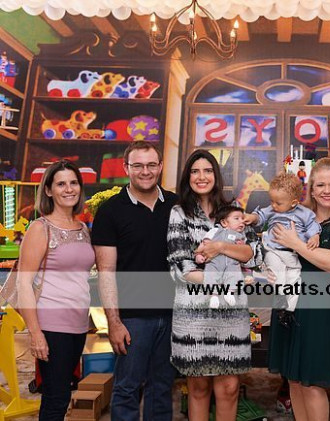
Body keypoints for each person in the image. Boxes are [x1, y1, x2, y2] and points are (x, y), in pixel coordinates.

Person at [167, 149, 263, 421]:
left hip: (231, 315)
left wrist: (219, 247)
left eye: (207, 170)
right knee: (198, 387)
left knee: (230, 387)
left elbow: (255, 255)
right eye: (195, 171)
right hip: (194, 314)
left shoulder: (234, 210)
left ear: (216, 175)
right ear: (188, 177)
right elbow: (182, 266)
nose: (202, 177)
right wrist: (225, 279)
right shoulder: (179, 213)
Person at [92, 141, 177, 421]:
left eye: (151, 165)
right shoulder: (110, 211)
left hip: (173, 315)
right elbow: (106, 271)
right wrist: (114, 322)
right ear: (126, 168)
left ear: (160, 167)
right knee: (127, 388)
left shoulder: (177, 206)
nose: (145, 171)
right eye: (138, 165)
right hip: (132, 319)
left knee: (162, 388)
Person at [268, 157, 330, 421]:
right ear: (312, 189)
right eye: (320, 185)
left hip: (320, 306)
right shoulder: (298, 213)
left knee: (313, 383)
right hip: (289, 301)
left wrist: (296, 243)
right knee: (294, 380)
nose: (327, 190)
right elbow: (273, 245)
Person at [18, 160, 94, 421]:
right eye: (61, 184)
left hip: (78, 325)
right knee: (56, 397)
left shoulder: (83, 229)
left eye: (73, 183)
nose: (69, 189)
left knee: (62, 394)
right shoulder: (40, 228)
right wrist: (35, 333)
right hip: (51, 325)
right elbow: (24, 284)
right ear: (49, 190)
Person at [244, 172, 320, 327]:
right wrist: (252, 218)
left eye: (278, 203)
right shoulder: (272, 210)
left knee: (295, 279)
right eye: (271, 201)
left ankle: (288, 311)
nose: (273, 205)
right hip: (272, 249)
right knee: (278, 273)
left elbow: (313, 225)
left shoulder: (304, 213)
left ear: (293, 203)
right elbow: (260, 215)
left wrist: (314, 236)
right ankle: (280, 299)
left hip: (292, 253)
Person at [195, 205, 247, 308]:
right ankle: (213, 296)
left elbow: (243, 252)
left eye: (243, 219)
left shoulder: (240, 236)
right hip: (214, 261)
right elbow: (204, 243)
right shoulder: (215, 231)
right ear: (224, 222)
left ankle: (229, 292)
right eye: (237, 218)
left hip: (232, 263)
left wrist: (241, 246)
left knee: (235, 274)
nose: (241, 222)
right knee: (210, 275)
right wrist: (198, 254)